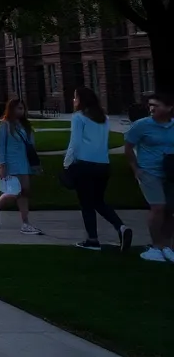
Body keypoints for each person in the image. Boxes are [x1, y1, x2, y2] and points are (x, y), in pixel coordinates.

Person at [63, 87, 131, 251]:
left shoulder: (78, 118)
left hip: (84, 165)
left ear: (81, 100)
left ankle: (92, 239)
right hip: (103, 165)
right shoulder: (104, 118)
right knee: (98, 201)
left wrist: (67, 163)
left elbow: (75, 142)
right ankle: (120, 227)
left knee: (86, 204)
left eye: (75, 98)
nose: (73, 101)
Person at [123, 91, 174, 262]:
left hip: (170, 173)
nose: (151, 108)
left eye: (156, 105)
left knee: (169, 211)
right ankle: (156, 245)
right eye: (150, 105)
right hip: (149, 172)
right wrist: (136, 169)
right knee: (158, 208)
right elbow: (128, 148)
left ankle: (168, 246)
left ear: (169, 108)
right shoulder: (141, 125)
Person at [0, 97, 43, 235]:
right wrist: (2, 165)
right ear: (11, 109)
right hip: (12, 163)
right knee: (16, 192)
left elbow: (31, 146)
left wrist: (35, 163)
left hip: (24, 163)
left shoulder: (25, 126)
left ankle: (25, 223)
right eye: (18, 108)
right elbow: (0, 147)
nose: (21, 111)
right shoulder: (5, 125)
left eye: (23, 108)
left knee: (25, 192)